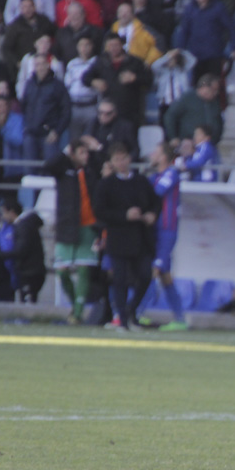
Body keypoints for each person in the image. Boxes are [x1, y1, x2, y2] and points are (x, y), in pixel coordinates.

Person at [93, 142, 160, 332]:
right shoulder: (106, 185)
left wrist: (151, 215)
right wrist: (124, 215)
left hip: (141, 238)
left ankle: (131, 310)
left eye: (124, 158)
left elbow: (156, 203)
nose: (121, 162)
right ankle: (122, 320)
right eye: (117, 159)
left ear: (129, 159)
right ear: (111, 163)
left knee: (146, 275)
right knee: (120, 279)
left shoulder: (141, 181)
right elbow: (100, 211)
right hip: (118, 238)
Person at [45, 140, 100, 323]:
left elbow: (105, 164)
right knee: (62, 271)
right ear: (73, 154)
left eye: (87, 153)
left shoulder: (92, 170)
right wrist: (66, 148)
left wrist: (97, 148)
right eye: (82, 153)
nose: (86, 156)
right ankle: (76, 304)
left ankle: (77, 313)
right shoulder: (64, 170)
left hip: (88, 227)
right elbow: (49, 165)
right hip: (67, 226)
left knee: (84, 270)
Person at [145, 143, 188, 331]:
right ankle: (180, 319)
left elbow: (155, 194)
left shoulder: (171, 174)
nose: (151, 154)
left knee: (152, 271)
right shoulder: (154, 176)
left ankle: (135, 313)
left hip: (167, 231)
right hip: (155, 230)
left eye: (155, 151)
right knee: (165, 277)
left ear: (163, 157)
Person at [0, 201, 46, 303]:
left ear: (12, 212)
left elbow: (21, 251)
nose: (3, 217)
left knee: (27, 302)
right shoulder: (24, 226)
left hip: (29, 272)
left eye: (4, 213)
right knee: (28, 300)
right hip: (32, 271)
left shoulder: (23, 227)